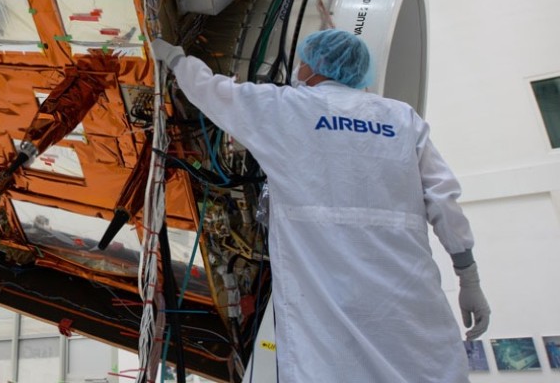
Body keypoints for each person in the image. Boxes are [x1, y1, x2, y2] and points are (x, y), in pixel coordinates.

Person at [151, 29, 490, 383]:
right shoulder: (402, 119)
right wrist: (468, 278)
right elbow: (444, 200)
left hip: (330, 316)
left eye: (302, 61)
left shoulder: (285, 107)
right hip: (410, 308)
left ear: (313, 67)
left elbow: (213, 92)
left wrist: (176, 59)